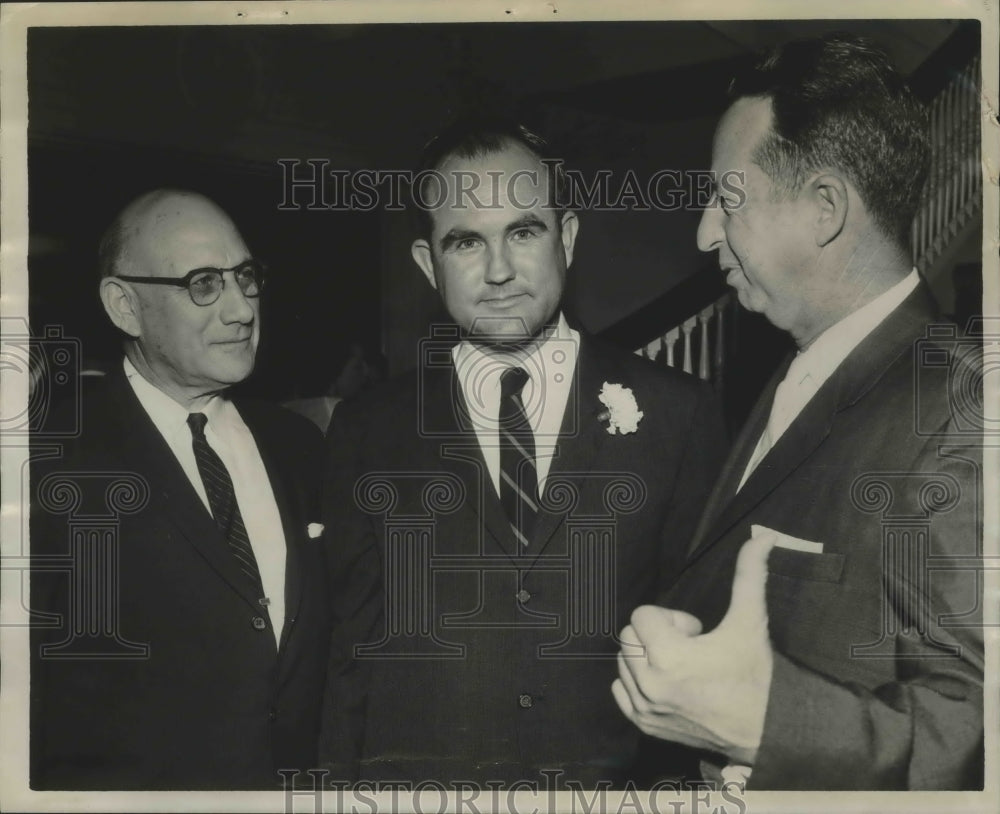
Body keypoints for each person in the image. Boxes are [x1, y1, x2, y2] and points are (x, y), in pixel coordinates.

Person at [613, 35, 984, 790]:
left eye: (728, 198)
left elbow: (974, 733)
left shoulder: (959, 409)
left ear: (824, 208)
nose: (704, 232)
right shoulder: (790, 371)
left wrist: (763, 725)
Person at [319, 120, 727, 787]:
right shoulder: (368, 430)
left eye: (524, 231)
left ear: (566, 238)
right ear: (428, 264)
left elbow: (700, 646)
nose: (500, 271)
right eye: (465, 242)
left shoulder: (679, 414)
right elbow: (350, 659)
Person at [30, 189, 330, 790]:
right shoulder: (48, 462)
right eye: (202, 284)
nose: (242, 308)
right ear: (124, 306)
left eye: (246, 277)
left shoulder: (300, 445)